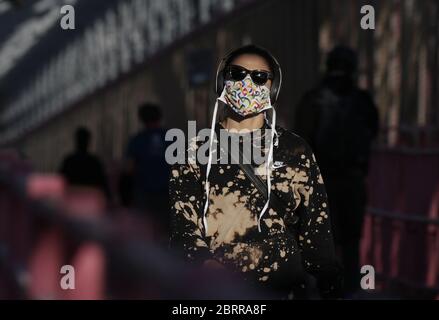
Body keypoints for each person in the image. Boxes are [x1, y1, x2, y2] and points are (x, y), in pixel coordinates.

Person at [169, 45, 341, 299]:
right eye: (237, 74)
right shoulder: (194, 150)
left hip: (282, 289)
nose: (247, 83)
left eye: (259, 77)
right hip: (219, 292)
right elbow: (183, 228)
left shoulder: (294, 151)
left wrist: (328, 282)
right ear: (222, 80)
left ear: (272, 87)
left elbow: (316, 231)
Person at [295, 46, 379, 297]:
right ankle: (351, 290)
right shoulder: (362, 101)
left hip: (322, 183)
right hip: (353, 181)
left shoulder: (313, 99)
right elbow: (373, 130)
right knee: (351, 241)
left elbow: (301, 142)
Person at [121, 103, 170, 236]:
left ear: (142, 119)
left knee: (145, 233)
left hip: (143, 193)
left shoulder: (137, 140)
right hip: (167, 193)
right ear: (159, 117)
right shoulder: (171, 138)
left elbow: (129, 169)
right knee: (165, 232)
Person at [59, 126, 110, 198]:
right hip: (90, 202)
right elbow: (104, 185)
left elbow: (60, 182)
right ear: (88, 142)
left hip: (72, 201)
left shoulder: (69, 161)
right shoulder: (94, 162)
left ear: (76, 141)